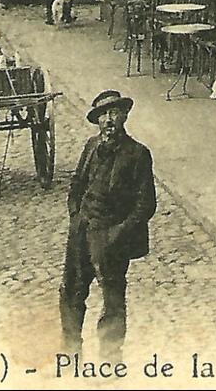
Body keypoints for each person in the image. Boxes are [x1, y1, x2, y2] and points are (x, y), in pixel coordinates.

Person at [60, 90, 156, 359]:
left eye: (114, 113)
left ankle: (110, 360)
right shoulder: (91, 147)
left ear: (124, 116)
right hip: (82, 230)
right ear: (97, 121)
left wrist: (118, 233)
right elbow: (77, 183)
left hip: (111, 235)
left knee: (112, 298)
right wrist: (75, 214)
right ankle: (69, 353)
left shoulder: (137, 154)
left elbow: (145, 204)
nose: (109, 120)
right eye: (103, 115)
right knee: (71, 291)